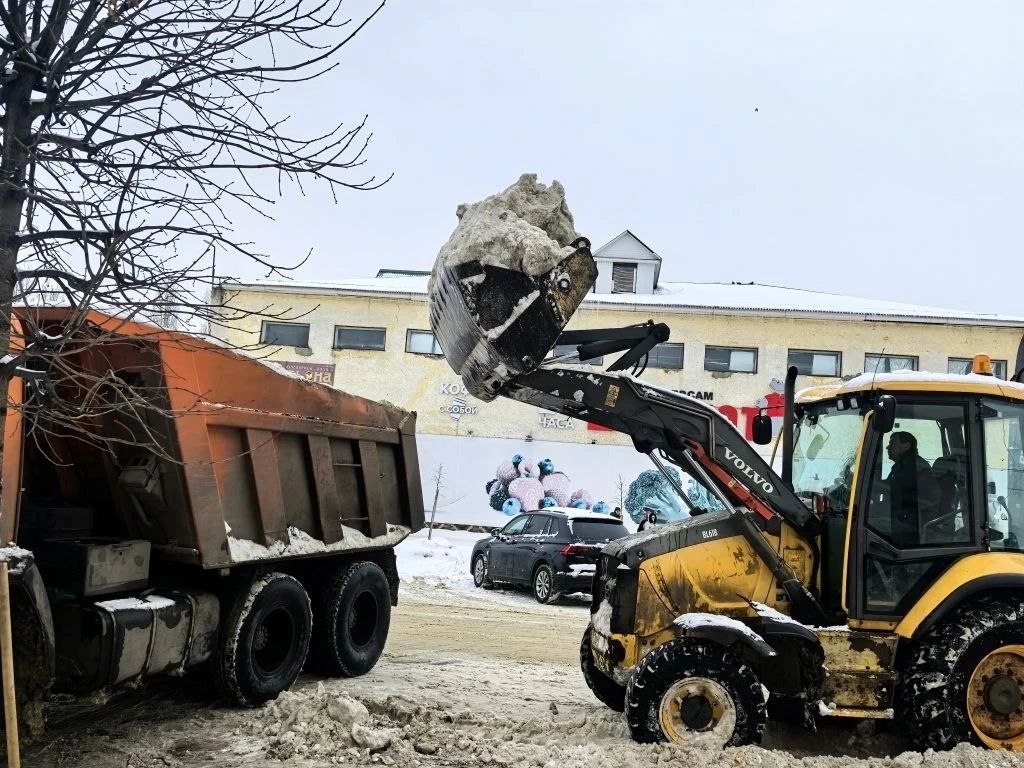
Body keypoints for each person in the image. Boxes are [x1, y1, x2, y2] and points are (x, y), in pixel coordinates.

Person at [884, 431, 938, 547]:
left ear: (906, 446)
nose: (887, 447)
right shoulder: (903, 464)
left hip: (910, 524)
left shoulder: (912, 465)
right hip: (906, 518)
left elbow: (895, 489)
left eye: (892, 443)